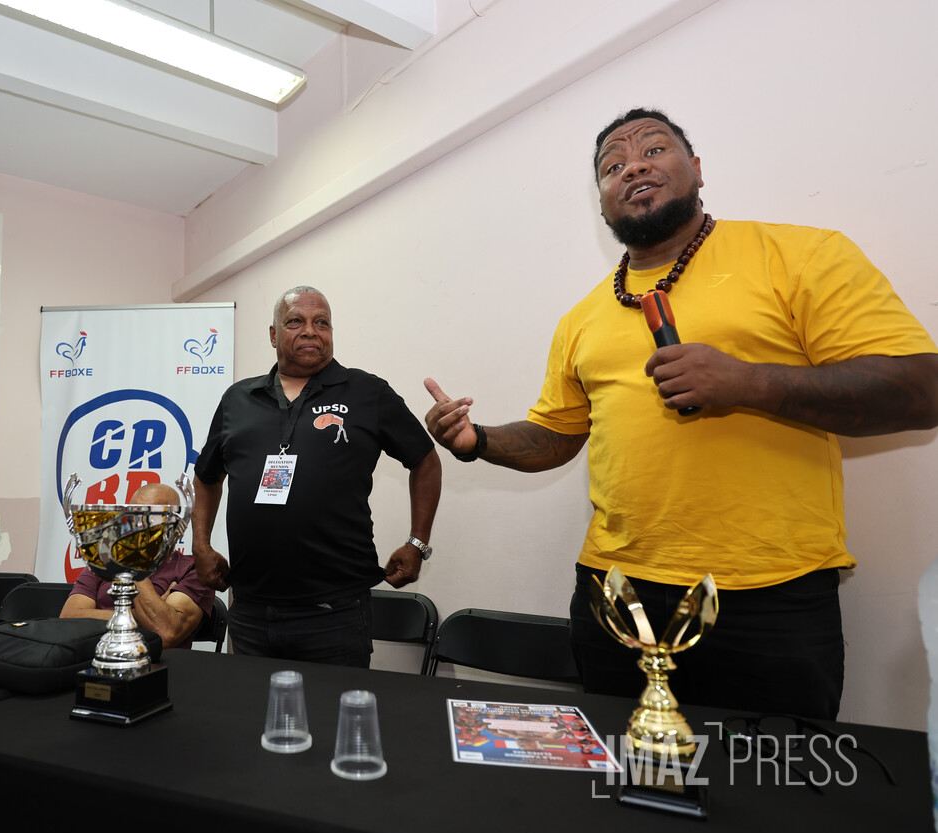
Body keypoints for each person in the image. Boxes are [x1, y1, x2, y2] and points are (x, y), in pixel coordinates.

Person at [424, 108, 938, 719]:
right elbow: (557, 435)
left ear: (695, 168)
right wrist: (477, 440)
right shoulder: (581, 319)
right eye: (612, 166)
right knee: (625, 770)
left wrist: (748, 382)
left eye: (653, 149)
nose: (632, 167)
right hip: (615, 593)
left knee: (768, 777)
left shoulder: (799, 254)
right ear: (602, 201)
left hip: (768, 595)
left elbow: (921, 388)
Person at [193, 286, 442, 667]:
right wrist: (201, 544)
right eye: (296, 321)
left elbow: (425, 460)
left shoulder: (367, 392)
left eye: (321, 322)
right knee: (249, 706)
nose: (310, 330)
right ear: (274, 334)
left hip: (335, 613)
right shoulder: (237, 399)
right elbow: (207, 476)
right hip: (250, 609)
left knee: (334, 707)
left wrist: (417, 542)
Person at [60, 483, 214, 649]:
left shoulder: (193, 570)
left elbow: (166, 632)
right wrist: (140, 616)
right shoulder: (105, 559)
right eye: (133, 514)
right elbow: (69, 618)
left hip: (158, 661)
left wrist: (134, 563)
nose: (138, 524)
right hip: (95, 655)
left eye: (151, 516)